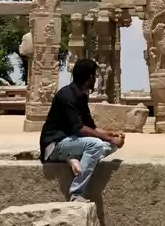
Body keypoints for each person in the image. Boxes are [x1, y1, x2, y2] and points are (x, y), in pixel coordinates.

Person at [39, 59, 124, 202]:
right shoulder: (66, 95)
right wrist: (109, 138)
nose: (96, 79)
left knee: (111, 145)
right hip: (54, 144)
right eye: (95, 76)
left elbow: (91, 127)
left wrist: (112, 135)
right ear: (90, 77)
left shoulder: (81, 96)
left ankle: (72, 158)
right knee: (96, 145)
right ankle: (77, 192)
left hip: (71, 142)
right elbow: (80, 128)